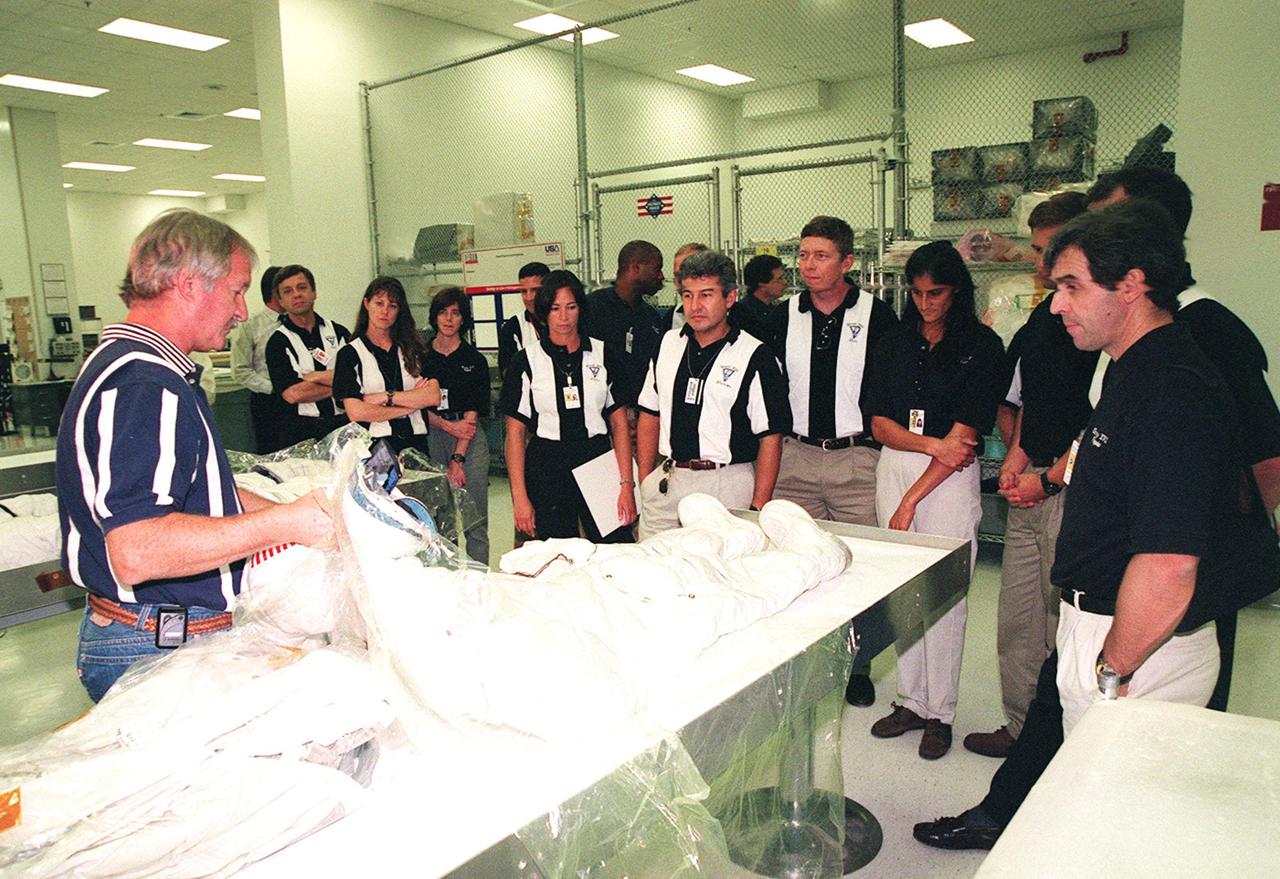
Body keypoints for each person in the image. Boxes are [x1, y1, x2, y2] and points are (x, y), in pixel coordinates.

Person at [913, 199, 1280, 851]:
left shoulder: (1173, 387)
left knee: (1123, 831)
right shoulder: (1132, 368)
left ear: (1132, 284)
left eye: (1071, 286)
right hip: (1104, 631)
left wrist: (1111, 668)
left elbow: (1168, 566)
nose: (1057, 305)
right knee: (1101, 816)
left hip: (1139, 650)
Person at [57, 209, 335, 703]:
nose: (243, 311)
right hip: (153, 646)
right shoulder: (143, 385)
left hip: (157, 634)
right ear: (189, 284)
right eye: (237, 290)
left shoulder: (145, 372)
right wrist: (283, 525)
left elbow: (204, 497)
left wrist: (308, 522)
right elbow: (138, 550)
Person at [1085, 167, 1280, 711]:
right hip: (1118, 574)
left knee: (1177, 723)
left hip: (1180, 585)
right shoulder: (1131, 332)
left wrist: (1192, 557)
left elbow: (1268, 460)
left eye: (1109, 228)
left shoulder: (1205, 329)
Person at [965, 192, 1094, 759]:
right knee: (1020, 619)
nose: (1041, 267)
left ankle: (1071, 744)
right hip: (1031, 483)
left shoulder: (1105, 331)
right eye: (1040, 253)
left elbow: (1102, 424)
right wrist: (1018, 459)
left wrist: (1050, 480)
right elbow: (1021, 398)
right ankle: (1023, 733)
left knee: (1069, 627)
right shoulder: (1046, 317)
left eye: (1053, 253)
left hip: (1075, 489)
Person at [865, 240, 1006, 760]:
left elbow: (965, 441)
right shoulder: (894, 341)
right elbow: (878, 423)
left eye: (938, 293)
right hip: (901, 462)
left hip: (948, 477)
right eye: (919, 293)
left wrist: (909, 502)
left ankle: (940, 713)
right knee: (902, 593)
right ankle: (910, 700)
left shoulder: (983, 346)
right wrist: (927, 444)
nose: (927, 303)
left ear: (957, 291)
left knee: (946, 596)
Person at [766, 216, 899, 708]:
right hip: (796, 457)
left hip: (855, 458)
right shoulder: (782, 314)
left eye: (820, 256)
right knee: (796, 561)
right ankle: (802, 660)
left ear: (847, 262)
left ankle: (858, 666)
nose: (808, 265)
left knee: (860, 567)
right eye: (802, 255)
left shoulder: (876, 314)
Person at [636, 250, 790, 538]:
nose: (695, 306)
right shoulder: (667, 344)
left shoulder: (755, 355)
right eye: (688, 295)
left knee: (720, 577)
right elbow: (649, 413)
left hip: (725, 485)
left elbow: (770, 437)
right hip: (669, 480)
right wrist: (645, 479)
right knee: (653, 572)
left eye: (706, 295)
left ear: (729, 298)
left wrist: (757, 507)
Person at [501, 269, 637, 542]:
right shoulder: (526, 361)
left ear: (580, 309)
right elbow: (514, 435)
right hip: (547, 466)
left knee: (616, 551)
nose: (563, 317)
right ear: (544, 312)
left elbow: (619, 425)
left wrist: (626, 485)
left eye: (571, 307)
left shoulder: (603, 354)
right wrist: (520, 498)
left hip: (597, 459)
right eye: (555, 308)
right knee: (558, 557)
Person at [332, 276, 440, 458]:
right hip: (373, 449)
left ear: (399, 311)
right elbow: (357, 412)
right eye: (379, 303)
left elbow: (433, 396)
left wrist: (385, 397)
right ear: (366, 304)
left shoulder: (414, 349)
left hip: (416, 445)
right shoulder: (350, 354)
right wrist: (411, 406)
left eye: (392, 306)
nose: (385, 311)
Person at [422, 286, 492, 566]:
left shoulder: (474, 361)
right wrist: (447, 427)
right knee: (441, 519)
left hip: (469, 441)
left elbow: (471, 418)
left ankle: (479, 580)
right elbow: (414, 407)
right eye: (443, 312)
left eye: (455, 313)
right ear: (434, 317)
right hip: (432, 435)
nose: (449, 319)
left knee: (475, 520)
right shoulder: (420, 358)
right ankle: (447, 578)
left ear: (464, 319)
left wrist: (458, 459)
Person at [265, 264, 352, 447]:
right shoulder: (278, 342)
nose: (297, 294)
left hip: (343, 427)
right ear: (280, 301)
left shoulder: (339, 332)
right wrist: (343, 383)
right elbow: (292, 394)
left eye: (302, 287)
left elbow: (361, 377)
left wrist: (316, 378)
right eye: (288, 291)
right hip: (301, 432)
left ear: (314, 292)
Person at [583, 240, 666, 405]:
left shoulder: (651, 317)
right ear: (636, 268)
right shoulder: (592, 308)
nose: (661, 276)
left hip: (642, 413)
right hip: (602, 412)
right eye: (657, 269)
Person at [229, 266, 284, 453]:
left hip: (302, 398)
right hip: (268, 400)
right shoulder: (251, 326)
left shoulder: (298, 322)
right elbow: (240, 369)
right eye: (286, 290)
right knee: (272, 454)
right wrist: (275, 388)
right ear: (274, 294)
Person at [497, 261, 549, 380]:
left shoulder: (563, 321)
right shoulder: (512, 327)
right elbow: (508, 374)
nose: (529, 297)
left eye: (535, 290)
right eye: (524, 291)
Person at [730, 253, 787, 342]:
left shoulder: (776, 308)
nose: (785, 283)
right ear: (762, 284)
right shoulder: (742, 313)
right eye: (779, 279)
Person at [666, 242, 708, 332]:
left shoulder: (735, 317)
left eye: (688, 273)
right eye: (678, 275)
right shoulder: (670, 318)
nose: (682, 281)